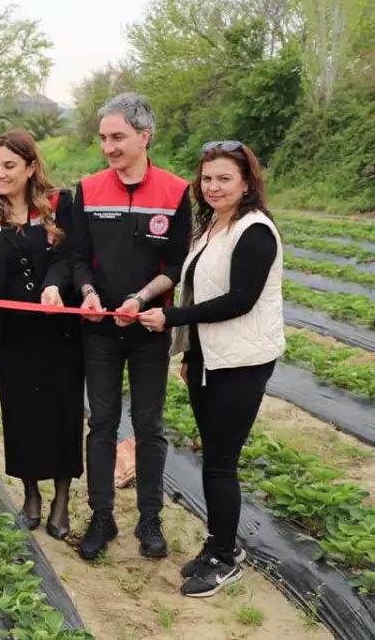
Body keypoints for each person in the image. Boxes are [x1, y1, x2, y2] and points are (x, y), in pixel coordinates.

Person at [138, 141, 283, 597]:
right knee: (212, 460)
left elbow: (240, 300)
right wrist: (190, 354)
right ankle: (220, 544)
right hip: (209, 359)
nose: (214, 186)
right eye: (207, 179)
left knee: (221, 464)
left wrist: (171, 320)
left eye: (225, 178)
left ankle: (224, 557)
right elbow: (197, 290)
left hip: (242, 362)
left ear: (246, 182)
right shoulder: (212, 226)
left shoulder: (254, 231)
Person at [69, 92, 192, 561]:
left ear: (144, 136)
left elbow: (177, 264)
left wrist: (140, 298)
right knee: (100, 423)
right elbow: (79, 258)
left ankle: (150, 519)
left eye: (117, 137)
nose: (108, 147)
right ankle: (102, 516)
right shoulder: (89, 188)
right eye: (103, 138)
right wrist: (89, 295)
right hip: (99, 330)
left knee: (149, 424)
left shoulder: (176, 192)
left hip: (147, 330)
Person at [0, 130, 84, 540]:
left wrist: (54, 284)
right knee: (21, 413)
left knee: (63, 412)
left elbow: (67, 256)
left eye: (10, 166)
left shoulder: (57, 205)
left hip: (58, 331)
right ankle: (31, 493)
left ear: (31, 167)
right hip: (13, 333)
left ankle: (62, 498)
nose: (0, 173)